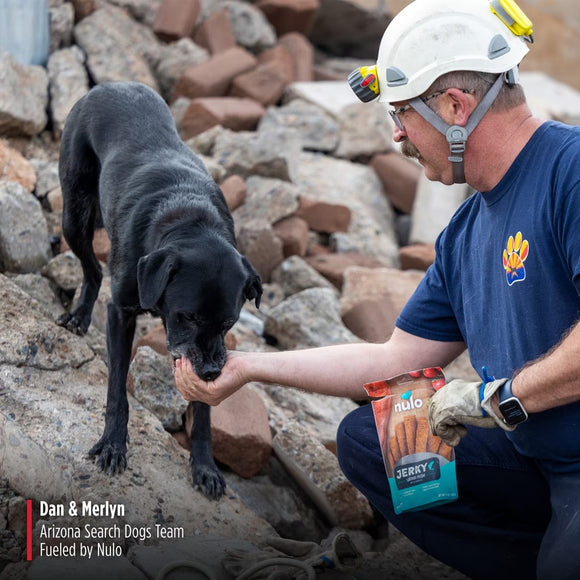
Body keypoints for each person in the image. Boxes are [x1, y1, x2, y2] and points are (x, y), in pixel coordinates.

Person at [174, 0, 580, 577]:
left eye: (403, 114)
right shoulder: (466, 234)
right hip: (535, 462)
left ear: (454, 107)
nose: (397, 134)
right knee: (374, 440)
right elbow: (392, 359)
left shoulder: (571, 170)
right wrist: (251, 369)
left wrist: (503, 396)